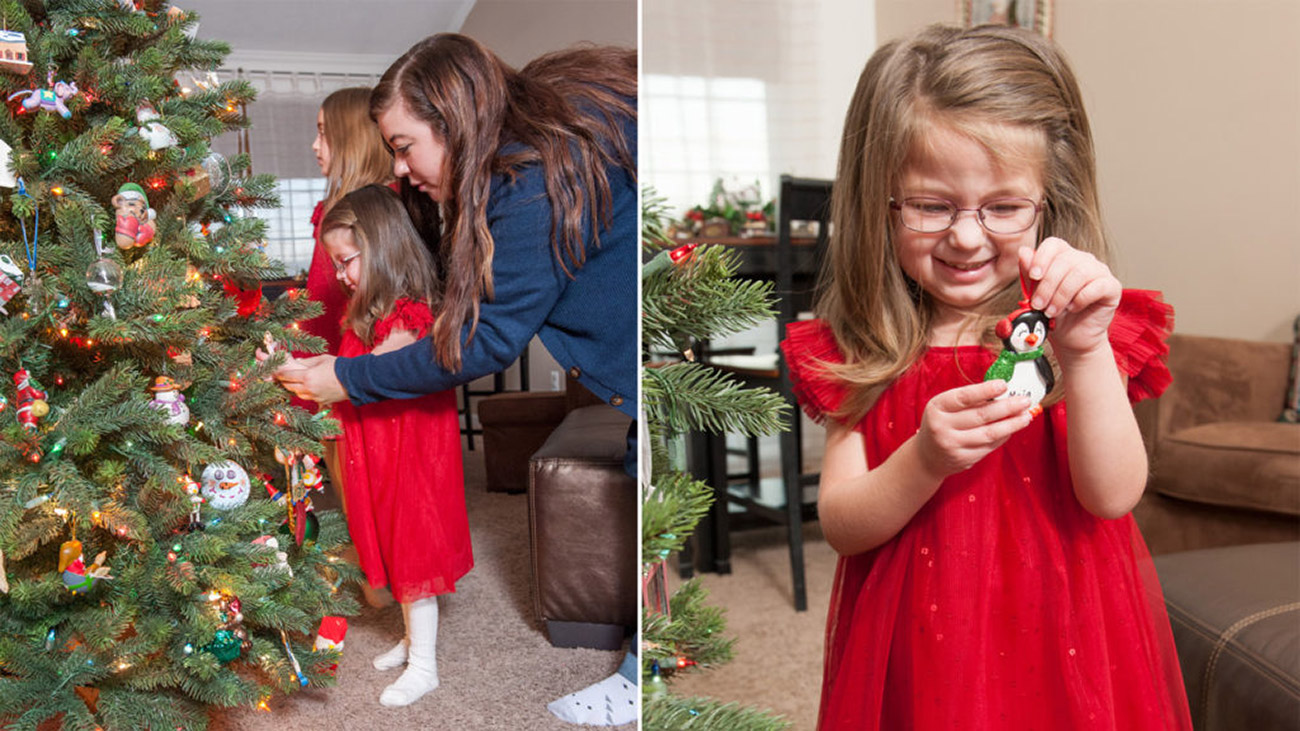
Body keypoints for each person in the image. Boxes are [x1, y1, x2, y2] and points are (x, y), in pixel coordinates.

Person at [779, 25, 1193, 729]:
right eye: (930, 205)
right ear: (879, 203)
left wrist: (1085, 351)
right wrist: (924, 459)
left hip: (1066, 630)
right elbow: (843, 526)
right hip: (921, 643)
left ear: (1049, 201)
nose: (967, 236)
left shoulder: (1077, 329)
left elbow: (1113, 494)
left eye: (1003, 207)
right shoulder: (864, 346)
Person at [273, 34, 637, 726]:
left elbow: (487, 341)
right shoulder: (516, 158)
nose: (400, 167)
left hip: (637, 355)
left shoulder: (528, 184)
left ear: (455, 120)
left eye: (405, 146)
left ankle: (642, 672)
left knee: (648, 479)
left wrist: (348, 378)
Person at [279, 184, 471, 708]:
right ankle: (412, 640)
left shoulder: (408, 315)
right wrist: (298, 371)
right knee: (388, 541)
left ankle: (425, 665)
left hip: (410, 459)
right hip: (377, 454)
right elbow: (347, 374)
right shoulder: (366, 313)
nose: (341, 275)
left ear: (382, 247)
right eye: (336, 264)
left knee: (414, 553)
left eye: (347, 261)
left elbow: (377, 373)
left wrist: (324, 375)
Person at [302, 86, 396, 609]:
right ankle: (373, 569)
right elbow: (320, 298)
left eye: (324, 133)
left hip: (351, 367)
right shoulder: (341, 214)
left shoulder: (364, 219)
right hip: (336, 362)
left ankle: (379, 576)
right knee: (349, 479)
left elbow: (332, 305)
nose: (315, 145)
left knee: (363, 478)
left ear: (352, 137)